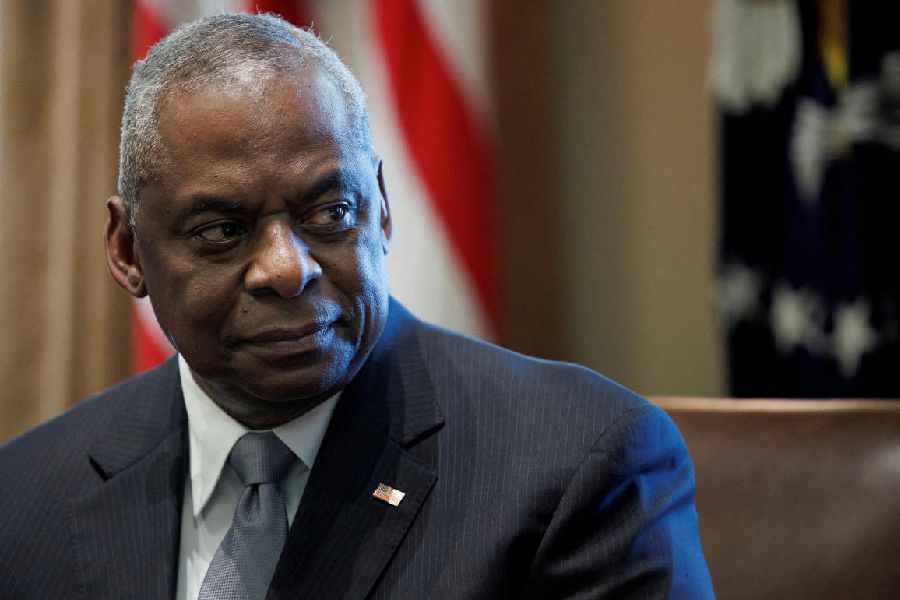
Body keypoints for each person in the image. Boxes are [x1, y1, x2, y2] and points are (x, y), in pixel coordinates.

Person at [0, 13, 713, 600]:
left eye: (330, 212)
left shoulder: (576, 469)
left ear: (383, 209)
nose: (287, 269)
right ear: (127, 250)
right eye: (222, 230)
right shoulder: (23, 501)